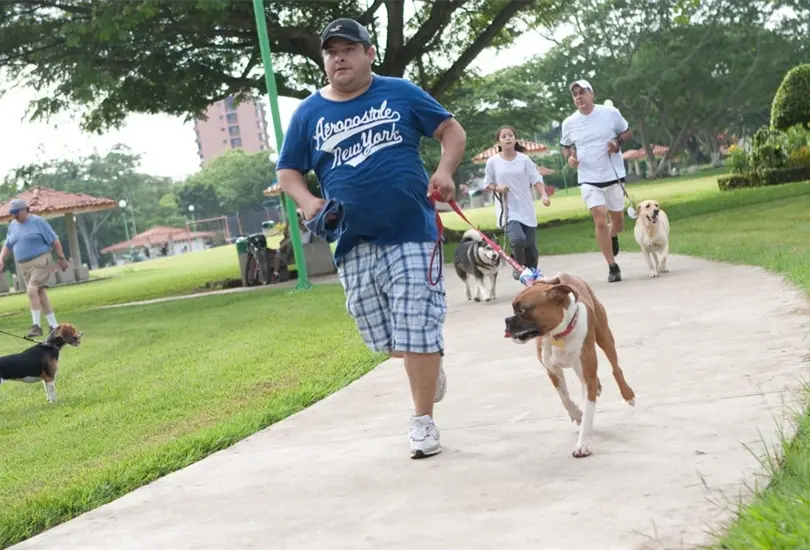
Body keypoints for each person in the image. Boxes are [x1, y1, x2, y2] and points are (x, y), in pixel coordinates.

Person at [275, 17, 466, 459]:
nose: (338, 57)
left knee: (415, 322)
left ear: (368, 53)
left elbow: (450, 130)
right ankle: (427, 364)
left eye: (348, 48)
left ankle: (422, 422)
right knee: (384, 337)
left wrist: (444, 171)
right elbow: (288, 172)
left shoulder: (399, 91)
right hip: (352, 239)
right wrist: (307, 201)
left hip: (412, 230)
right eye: (330, 51)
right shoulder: (308, 113)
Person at [560, 79, 632, 283]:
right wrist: (570, 158)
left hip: (613, 174)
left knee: (617, 222)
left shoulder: (610, 113)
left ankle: (613, 235)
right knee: (600, 219)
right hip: (588, 178)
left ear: (592, 94)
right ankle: (612, 266)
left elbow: (627, 132)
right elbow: (565, 145)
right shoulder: (569, 123)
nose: (579, 97)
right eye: (575, 94)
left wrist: (616, 142)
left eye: (582, 92)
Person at [480, 125, 550, 279]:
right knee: (518, 239)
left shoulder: (524, 160)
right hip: (508, 210)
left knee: (530, 245)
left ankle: (532, 275)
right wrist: (498, 188)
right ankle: (518, 265)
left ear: (515, 139)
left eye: (510, 135)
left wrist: (544, 195)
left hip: (526, 207)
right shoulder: (493, 162)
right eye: (504, 136)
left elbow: (536, 179)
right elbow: (488, 184)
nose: (508, 138)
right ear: (498, 141)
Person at [0, 199, 70, 337]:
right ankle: (55, 326)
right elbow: (8, 245)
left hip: (41, 260)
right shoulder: (12, 225)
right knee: (39, 293)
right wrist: (1, 258)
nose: (14, 215)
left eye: (16, 212)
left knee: (32, 290)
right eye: (12, 213)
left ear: (25, 210)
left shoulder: (38, 222)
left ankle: (36, 326)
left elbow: (54, 240)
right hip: (24, 265)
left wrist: (61, 258)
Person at [270, 211, 313, 283]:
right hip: (293, 246)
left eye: (298, 218)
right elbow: (285, 236)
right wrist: (287, 224)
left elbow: (304, 229)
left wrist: (298, 223)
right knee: (277, 256)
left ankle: (277, 250)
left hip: (303, 244)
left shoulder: (305, 224)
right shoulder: (295, 227)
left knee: (292, 240)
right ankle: (276, 274)